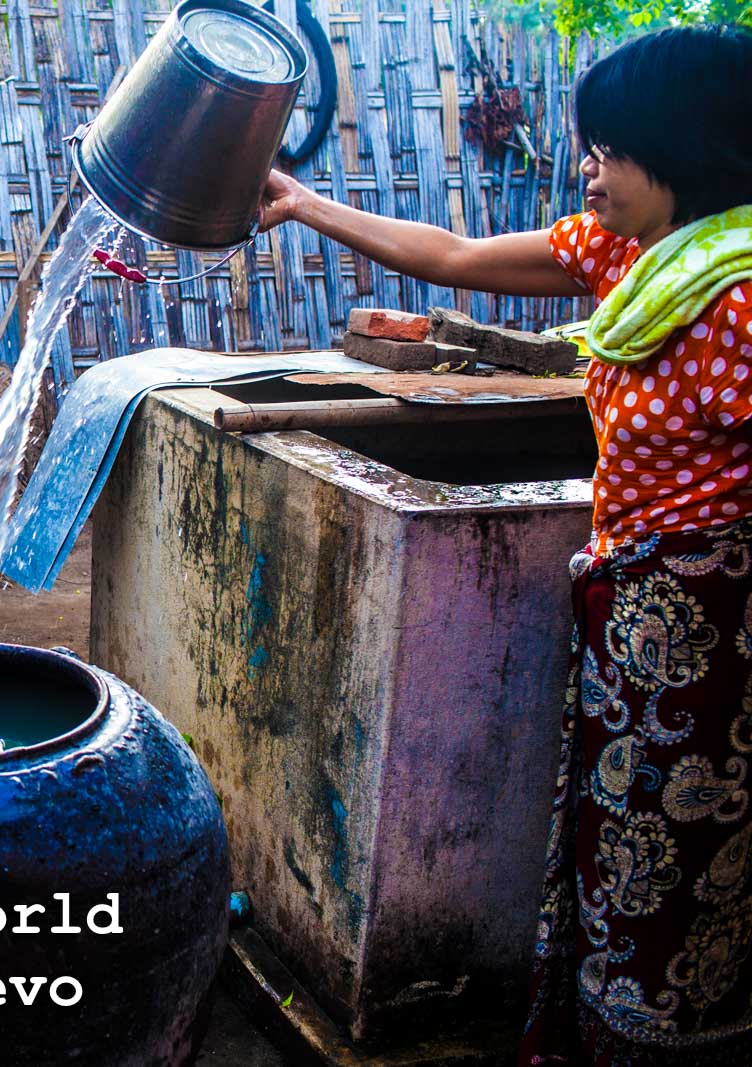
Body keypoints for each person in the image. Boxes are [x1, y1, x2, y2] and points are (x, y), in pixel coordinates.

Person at [257, 23, 752, 1067]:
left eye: (611, 150)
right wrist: (303, 203)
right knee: (619, 840)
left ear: (686, 151)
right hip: (634, 607)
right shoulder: (629, 258)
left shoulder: (738, 300)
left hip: (717, 630)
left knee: (688, 858)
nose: (589, 170)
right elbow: (447, 256)